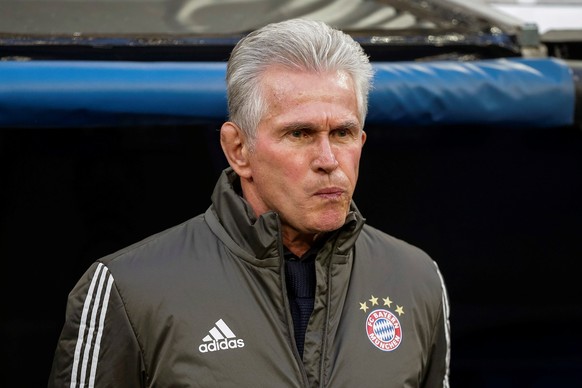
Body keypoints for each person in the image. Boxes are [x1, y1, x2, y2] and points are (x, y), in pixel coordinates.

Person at [48, 18, 450, 387]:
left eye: (343, 133)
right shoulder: (128, 289)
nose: (328, 160)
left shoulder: (416, 279)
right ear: (238, 149)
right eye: (300, 134)